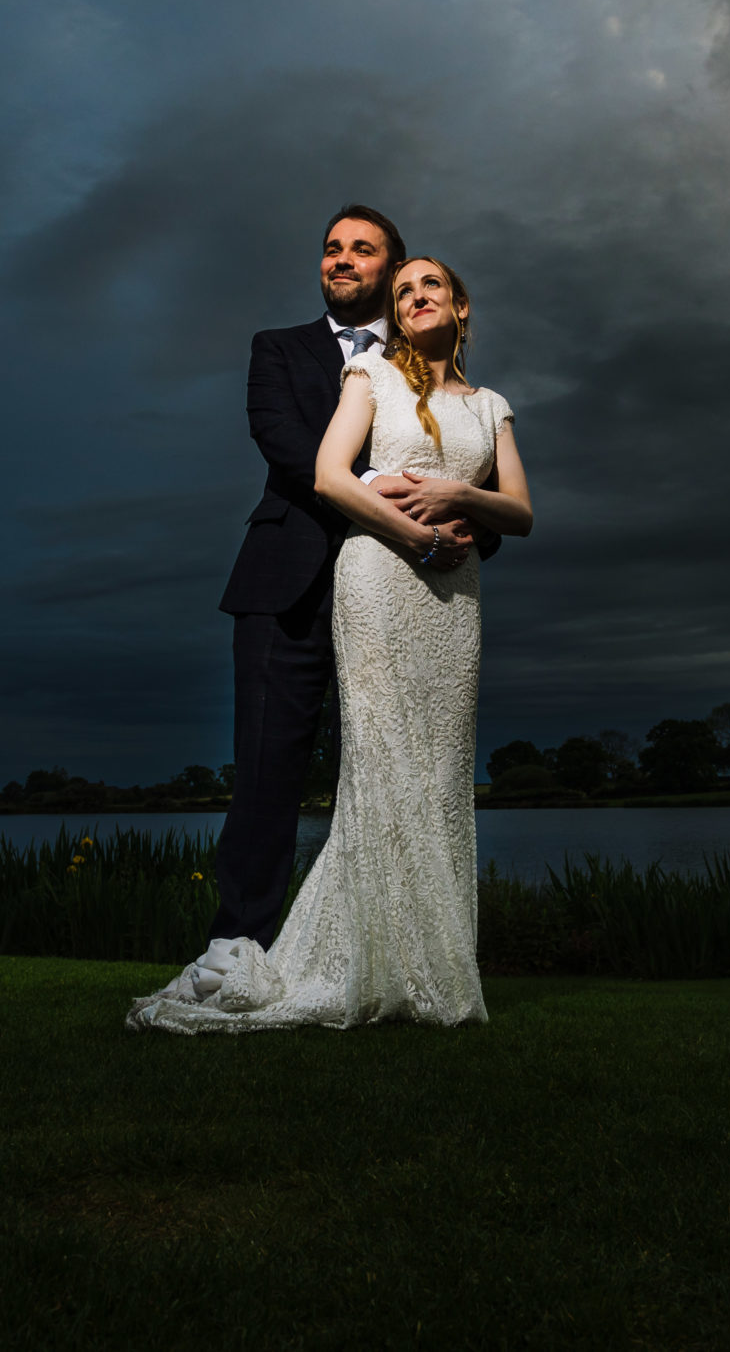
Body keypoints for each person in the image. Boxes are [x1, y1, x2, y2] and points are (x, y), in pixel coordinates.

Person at [130, 252, 531, 1031]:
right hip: (335, 576)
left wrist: (458, 503)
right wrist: (411, 523)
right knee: (309, 764)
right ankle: (251, 944)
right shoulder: (328, 363)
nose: (411, 292)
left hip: (443, 595)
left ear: (457, 303)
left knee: (438, 769)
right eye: (333, 246)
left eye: (423, 282)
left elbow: (511, 510)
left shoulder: (486, 401)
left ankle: (430, 962)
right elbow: (314, 464)